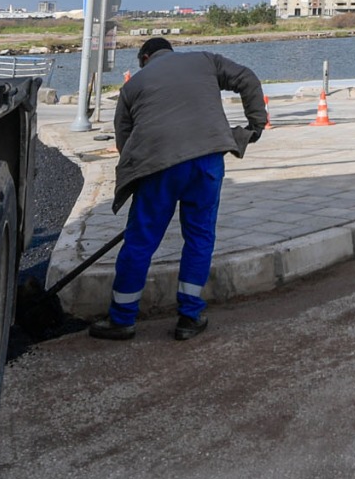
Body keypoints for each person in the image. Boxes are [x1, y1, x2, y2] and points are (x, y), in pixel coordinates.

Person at [92, 36, 268, 342]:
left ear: (144, 58)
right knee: (199, 236)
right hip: (207, 160)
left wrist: (142, 177)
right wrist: (255, 125)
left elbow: (124, 141)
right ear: (170, 51)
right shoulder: (205, 60)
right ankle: (189, 317)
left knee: (140, 241)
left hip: (158, 165)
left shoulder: (133, 85)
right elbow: (247, 78)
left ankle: (122, 320)